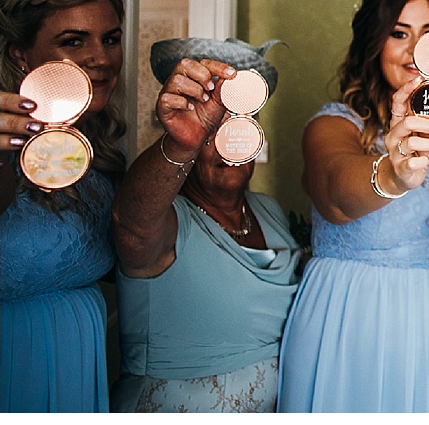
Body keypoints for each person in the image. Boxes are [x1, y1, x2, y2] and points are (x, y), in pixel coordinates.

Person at [280, 0, 429, 412]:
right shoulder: (334, 125)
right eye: (399, 33)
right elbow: (336, 197)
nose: (414, 51)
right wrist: (394, 173)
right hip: (354, 316)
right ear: (373, 42)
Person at [110, 39, 303, 412]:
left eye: (238, 127)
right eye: (209, 132)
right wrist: (182, 142)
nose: (224, 145)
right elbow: (130, 223)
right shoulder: (167, 219)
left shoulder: (269, 211)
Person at [0, 0, 120, 412]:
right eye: (74, 41)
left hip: (79, 364)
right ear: (21, 56)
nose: (99, 58)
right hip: (8, 363)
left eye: (110, 39)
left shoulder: (101, 154)